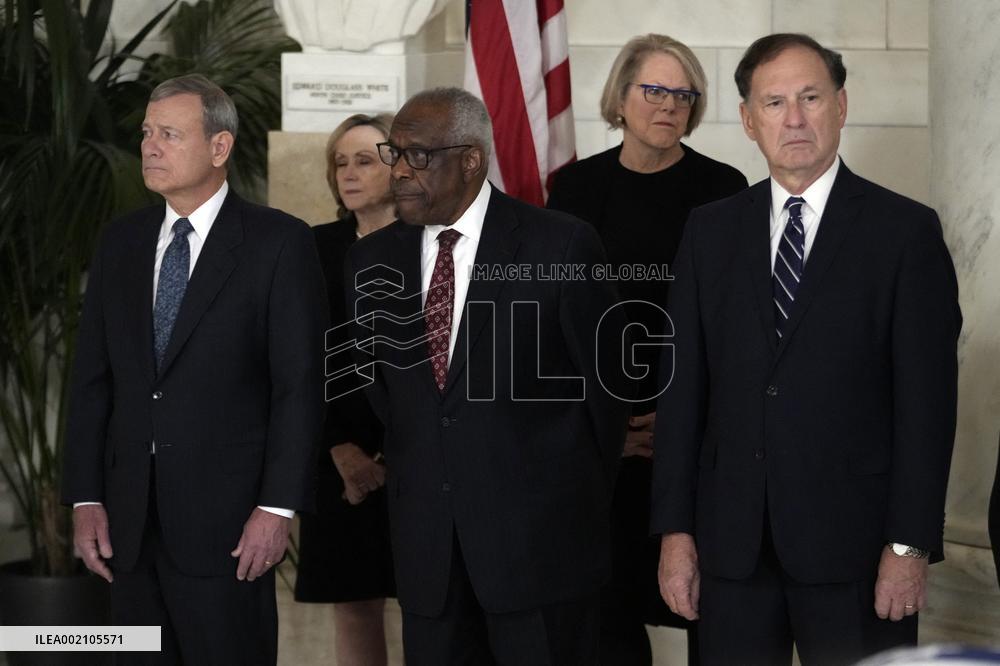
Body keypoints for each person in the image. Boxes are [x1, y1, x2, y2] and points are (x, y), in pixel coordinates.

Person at [651, 33, 961, 665]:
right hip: (730, 548)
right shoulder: (709, 232)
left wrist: (908, 547)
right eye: (774, 103)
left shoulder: (905, 232)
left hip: (856, 551)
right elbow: (682, 395)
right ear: (747, 119)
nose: (794, 119)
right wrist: (675, 533)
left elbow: (927, 408)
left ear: (840, 106)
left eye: (810, 97)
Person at [343, 87, 629, 664]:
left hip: (541, 558)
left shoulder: (561, 243)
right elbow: (387, 393)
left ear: (470, 159)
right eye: (392, 152)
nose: (398, 170)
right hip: (429, 558)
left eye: (417, 155)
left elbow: (606, 397)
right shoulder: (370, 260)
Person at [61, 74, 327, 665]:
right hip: (126, 528)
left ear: (219, 147)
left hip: (230, 529)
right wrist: (84, 498)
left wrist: (277, 507)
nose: (150, 146)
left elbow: (299, 387)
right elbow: (92, 381)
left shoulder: (278, 243)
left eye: (170, 134)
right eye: (148, 133)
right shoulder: (121, 242)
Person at [547, 33, 747, 666]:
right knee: (609, 614)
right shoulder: (575, 188)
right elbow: (561, 323)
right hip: (605, 440)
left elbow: (737, 325)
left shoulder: (724, 187)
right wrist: (611, 430)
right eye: (654, 90)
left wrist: (683, 421)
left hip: (700, 434)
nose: (669, 106)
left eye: (683, 94)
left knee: (706, 607)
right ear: (621, 98)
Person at [294, 113, 397, 666]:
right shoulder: (313, 248)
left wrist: (396, 450)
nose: (349, 173)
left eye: (364, 160)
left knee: (439, 605)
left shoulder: (432, 243)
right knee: (355, 602)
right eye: (340, 162)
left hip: (424, 455)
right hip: (335, 454)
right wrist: (339, 448)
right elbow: (297, 362)